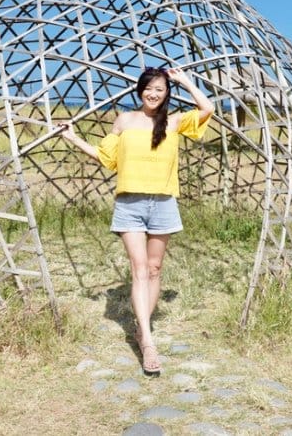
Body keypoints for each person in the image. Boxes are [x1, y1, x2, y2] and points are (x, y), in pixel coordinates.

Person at [58, 66, 214, 376]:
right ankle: (148, 340)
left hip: (163, 203)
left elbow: (207, 108)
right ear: (140, 90)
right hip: (130, 203)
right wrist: (73, 138)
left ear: (167, 92)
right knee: (139, 269)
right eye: (149, 88)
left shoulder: (172, 121)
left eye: (160, 88)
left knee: (155, 269)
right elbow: (106, 158)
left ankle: (143, 329)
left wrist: (184, 81)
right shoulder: (124, 120)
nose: (154, 93)